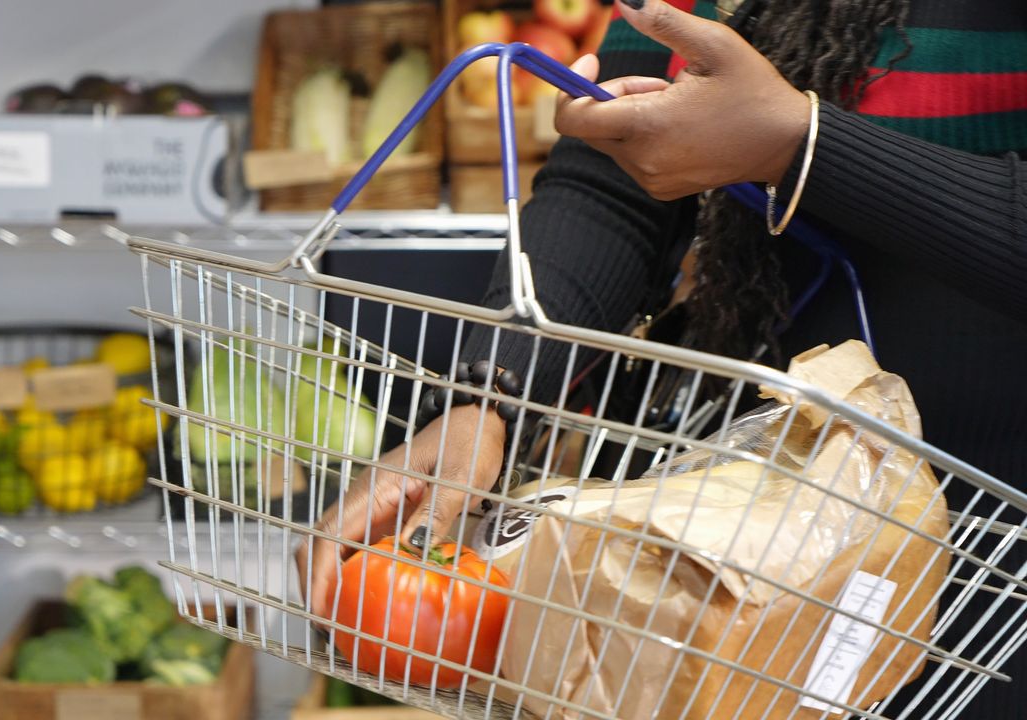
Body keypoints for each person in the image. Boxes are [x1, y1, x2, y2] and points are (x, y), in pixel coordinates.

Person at [299, 0, 1026, 713]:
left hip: (992, 556)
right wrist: (487, 393)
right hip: (740, 515)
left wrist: (800, 145)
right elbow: (608, 187)